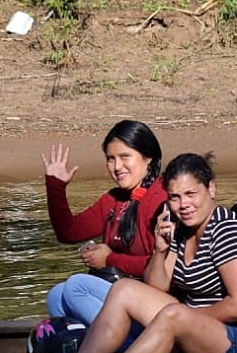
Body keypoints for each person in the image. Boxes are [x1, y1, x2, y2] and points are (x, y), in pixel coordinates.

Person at [45, 152, 237, 353]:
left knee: (174, 315)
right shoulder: (182, 230)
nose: (184, 205)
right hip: (206, 333)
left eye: (191, 194)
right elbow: (158, 286)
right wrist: (160, 250)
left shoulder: (227, 230)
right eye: (174, 197)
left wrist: (183, 321)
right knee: (125, 288)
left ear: (211, 189)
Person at [42, 119, 168, 326]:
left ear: (148, 158)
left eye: (125, 156)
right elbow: (68, 232)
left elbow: (163, 266)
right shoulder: (113, 200)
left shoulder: (161, 198)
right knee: (57, 295)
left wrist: (110, 260)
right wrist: (56, 187)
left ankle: (131, 348)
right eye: (111, 159)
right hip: (125, 291)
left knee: (77, 286)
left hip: (157, 300)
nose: (117, 167)